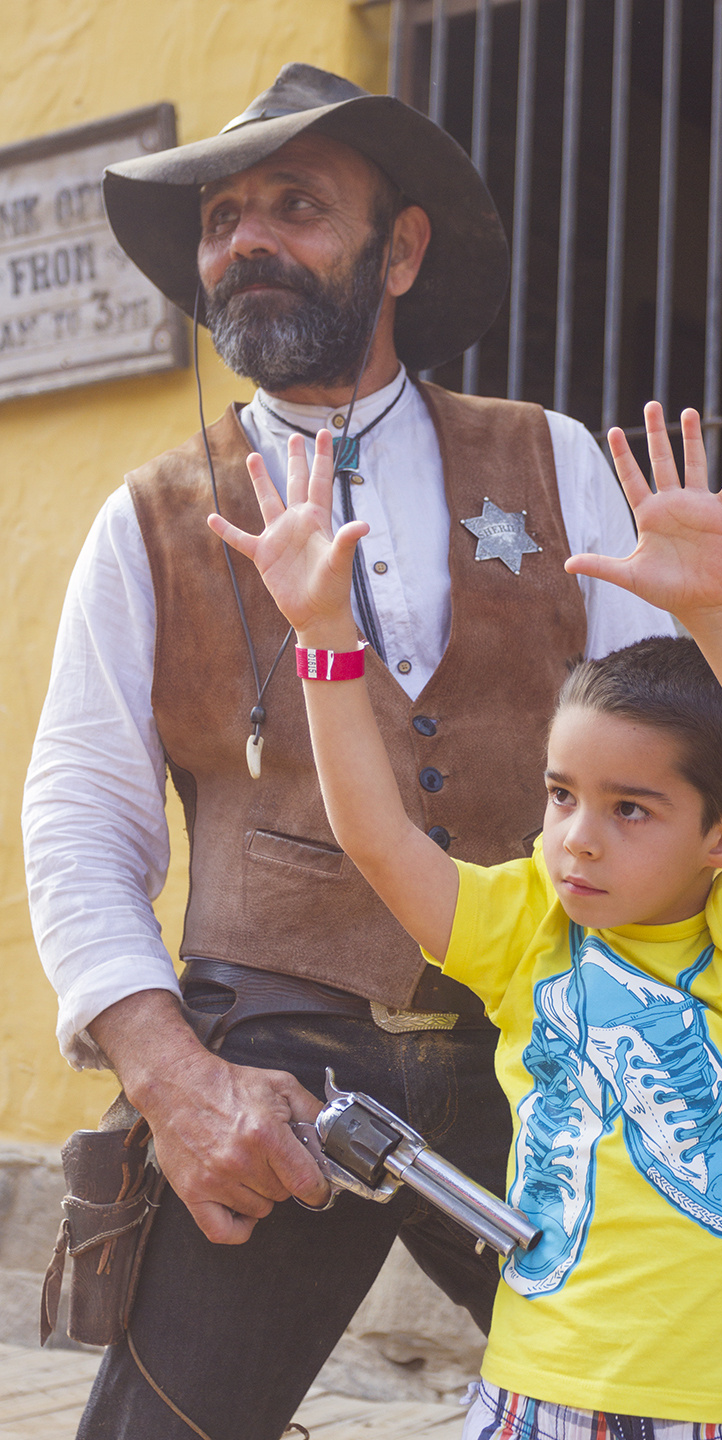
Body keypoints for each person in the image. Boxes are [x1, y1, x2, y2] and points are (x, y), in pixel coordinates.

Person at [21, 63, 675, 1440]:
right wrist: (174, 1081)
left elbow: (675, 771)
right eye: (223, 219)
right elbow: (81, 822)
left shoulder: (555, 462)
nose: (245, 240)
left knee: (683, 1406)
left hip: (550, 1058)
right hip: (270, 1083)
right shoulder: (150, 519)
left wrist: (666, 1059)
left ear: (402, 250)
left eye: (297, 207)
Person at [210, 400, 722, 1439]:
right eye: (562, 796)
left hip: (707, 1418)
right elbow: (377, 838)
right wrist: (325, 636)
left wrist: (719, 611)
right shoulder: (529, 927)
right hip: (523, 1402)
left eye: (630, 809)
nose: (578, 840)